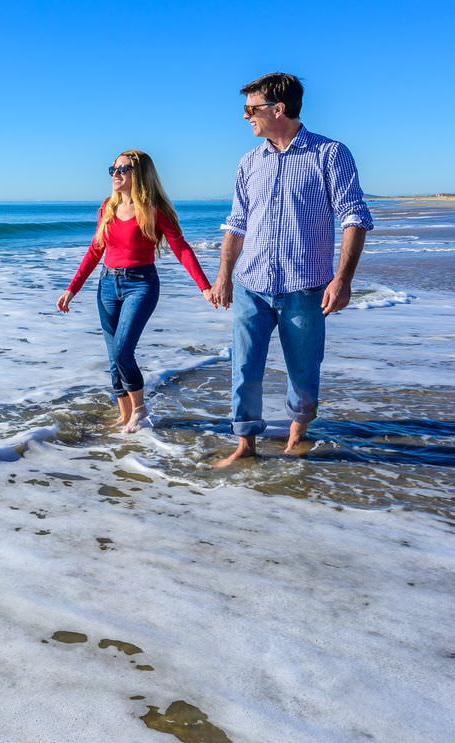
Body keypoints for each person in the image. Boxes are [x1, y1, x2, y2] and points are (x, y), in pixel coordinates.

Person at [208, 74, 373, 466]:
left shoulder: (330, 154)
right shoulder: (249, 162)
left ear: (277, 110)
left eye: (251, 109)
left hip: (305, 287)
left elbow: (355, 216)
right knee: (244, 369)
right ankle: (245, 445)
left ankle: (296, 437)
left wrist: (343, 279)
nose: (245, 117)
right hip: (252, 285)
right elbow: (237, 224)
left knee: (303, 372)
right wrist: (223, 276)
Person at [56, 150, 213, 432]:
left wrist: (204, 286)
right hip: (107, 285)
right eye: (113, 169)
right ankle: (125, 414)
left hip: (141, 284)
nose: (115, 174)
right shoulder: (107, 207)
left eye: (123, 169)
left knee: (122, 351)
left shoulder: (154, 210)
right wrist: (72, 289)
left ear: (139, 174)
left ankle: (140, 410)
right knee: (113, 356)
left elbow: (182, 249)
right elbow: (95, 251)